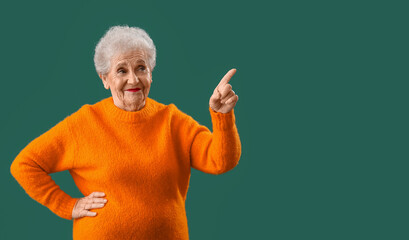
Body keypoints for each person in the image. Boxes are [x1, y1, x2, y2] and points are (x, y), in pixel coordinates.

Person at [10, 25, 241, 240]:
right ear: (105, 79)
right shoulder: (84, 123)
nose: (133, 79)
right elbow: (24, 165)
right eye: (121, 70)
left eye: (141, 68)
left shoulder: (172, 120)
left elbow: (221, 161)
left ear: (151, 74)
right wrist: (68, 206)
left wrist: (221, 115)